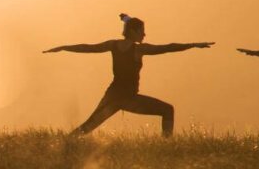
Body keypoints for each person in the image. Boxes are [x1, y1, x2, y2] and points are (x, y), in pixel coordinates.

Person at [44, 14, 214, 137]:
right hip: (125, 99)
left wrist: (64, 47)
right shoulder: (139, 49)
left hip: (115, 96)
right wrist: (193, 45)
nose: (144, 34)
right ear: (133, 32)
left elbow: (88, 47)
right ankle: (167, 146)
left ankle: (65, 142)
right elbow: (167, 47)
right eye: (142, 31)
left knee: (88, 127)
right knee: (167, 110)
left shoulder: (114, 44)